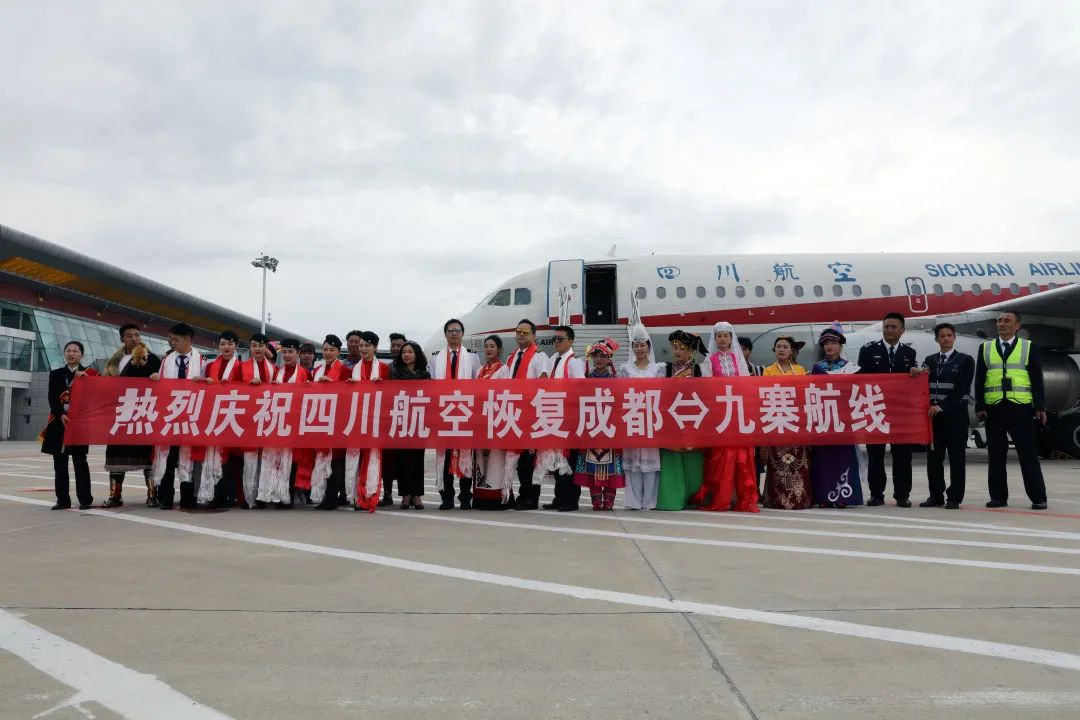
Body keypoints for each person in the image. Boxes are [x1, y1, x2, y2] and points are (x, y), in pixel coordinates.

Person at [975, 310, 1048, 510]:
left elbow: (1036, 377)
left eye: (1007, 321)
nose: (1002, 324)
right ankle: (998, 497)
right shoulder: (985, 348)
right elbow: (980, 378)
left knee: (1027, 454)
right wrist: (980, 405)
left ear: (1017, 326)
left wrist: (1040, 406)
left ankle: (1038, 497)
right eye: (999, 321)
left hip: (1021, 407)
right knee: (996, 455)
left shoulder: (1028, 347)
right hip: (994, 407)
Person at [694, 322, 759, 513]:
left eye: (726, 335)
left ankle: (740, 497)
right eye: (719, 336)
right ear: (714, 339)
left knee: (742, 457)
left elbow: (747, 386)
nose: (722, 339)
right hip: (721, 413)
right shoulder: (709, 360)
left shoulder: (738, 360)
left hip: (738, 411)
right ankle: (722, 496)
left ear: (732, 338)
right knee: (720, 456)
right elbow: (706, 387)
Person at [858, 312, 918, 507]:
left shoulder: (909, 354)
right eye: (886, 327)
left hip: (900, 412)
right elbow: (862, 380)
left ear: (902, 330)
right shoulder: (867, 350)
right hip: (876, 410)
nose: (889, 330)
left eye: (893, 327)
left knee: (903, 455)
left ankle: (902, 494)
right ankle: (876, 493)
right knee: (875, 454)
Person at [913, 323, 975, 509]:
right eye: (942, 336)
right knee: (934, 459)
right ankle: (935, 496)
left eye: (949, 335)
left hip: (955, 418)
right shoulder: (930, 360)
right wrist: (915, 374)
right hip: (933, 420)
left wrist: (943, 406)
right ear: (936, 339)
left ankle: (954, 497)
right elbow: (922, 386)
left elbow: (962, 389)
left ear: (954, 337)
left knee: (957, 459)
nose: (946, 338)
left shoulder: (965, 360)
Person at [102, 323, 162, 508]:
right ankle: (115, 495)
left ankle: (153, 495)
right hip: (120, 414)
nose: (135, 338)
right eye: (130, 335)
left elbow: (162, 383)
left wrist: (156, 378)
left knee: (148, 456)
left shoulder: (151, 359)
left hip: (143, 412)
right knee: (115, 455)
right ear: (122, 338)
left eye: (137, 335)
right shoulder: (113, 362)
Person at [150, 323, 204, 510]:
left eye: (176, 339)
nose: (172, 342)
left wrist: (205, 382)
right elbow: (160, 386)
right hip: (170, 416)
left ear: (188, 340)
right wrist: (156, 378)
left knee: (187, 458)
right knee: (168, 457)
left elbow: (210, 389)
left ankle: (187, 498)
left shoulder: (201, 361)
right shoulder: (167, 360)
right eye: (171, 339)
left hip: (190, 416)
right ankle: (165, 497)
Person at [809, 324, 864, 508]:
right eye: (825, 344)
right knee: (823, 459)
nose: (829, 346)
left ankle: (843, 497)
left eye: (833, 342)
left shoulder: (852, 369)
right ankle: (824, 496)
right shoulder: (818, 368)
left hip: (843, 421)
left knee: (843, 458)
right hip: (823, 420)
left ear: (841, 345)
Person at [43, 341, 99, 510]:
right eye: (68, 350)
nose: (71, 353)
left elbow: (95, 399)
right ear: (64, 353)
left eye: (75, 351)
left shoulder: (91, 374)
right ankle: (62, 500)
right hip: (59, 424)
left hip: (79, 425)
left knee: (80, 462)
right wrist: (60, 414)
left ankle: (85, 499)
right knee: (59, 464)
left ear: (82, 354)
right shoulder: (56, 374)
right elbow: (52, 397)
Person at [432, 318, 481, 510]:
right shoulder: (436, 358)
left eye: (457, 330)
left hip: (464, 413)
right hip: (444, 414)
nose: (454, 333)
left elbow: (478, 385)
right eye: (450, 330)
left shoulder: (473, 358)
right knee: (443, 458)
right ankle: (447, 497)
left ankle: (465, 497)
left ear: (462, 334)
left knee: (465, 456)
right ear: (445, 334)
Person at [656, 331, 707, 511]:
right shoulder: (665, 369)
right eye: (675, 347)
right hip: (672, 418)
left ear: (691, 351)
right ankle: (673, 499)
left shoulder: (701, 370)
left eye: (682, 348)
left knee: (694, 460)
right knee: (672, 460)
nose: (677, 351)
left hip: (694, 418)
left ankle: (696, 497)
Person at [574, 338, 625, 511]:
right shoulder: (585, 379)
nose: (599, 359)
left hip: (610, 427)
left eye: (603, 356)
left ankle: (609, 500)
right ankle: (596, 499)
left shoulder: (615, 380)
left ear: (609, 358)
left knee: (611, 465)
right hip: (591, 426)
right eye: (596, 356)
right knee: (592, 464)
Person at [760, 337, 812, 510]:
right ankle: (776, 498)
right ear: (774, 350)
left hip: (796, 420)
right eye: (778, 347)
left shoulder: (800, 370)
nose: (781, 350)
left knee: (797, 461)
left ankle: (799, 498)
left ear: (791, 351)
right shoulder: (768, 371)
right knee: (778, 462)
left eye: (785, 347)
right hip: (777, 418)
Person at [259, 339, 310, 509]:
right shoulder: (275, 372)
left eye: (291, 352)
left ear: (298, 354)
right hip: (276, 421)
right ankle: (270, 493)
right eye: (285, 352)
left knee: (290, 460)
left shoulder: (304, 374)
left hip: (293, 423)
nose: (287, 355)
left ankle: (285, 495)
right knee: (273, 459)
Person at [539, 325, 585, 512]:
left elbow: (580, 389)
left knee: (569, 461)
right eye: (554, 339)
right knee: (557, 461)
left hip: (569, 418)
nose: (556, 342)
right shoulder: (552, 360)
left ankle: (571, 499)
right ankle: (559, 497)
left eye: (560, 339)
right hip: (554, 416)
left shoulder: (574, 362)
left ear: (571, 341)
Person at [343, 330, 390, 512]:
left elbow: (392, 397)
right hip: (357, 419)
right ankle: (355, 496)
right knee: (355, 457)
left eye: (367, 346)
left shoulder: (385, 369)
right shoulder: (353, 369)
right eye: (361, 345)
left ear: (375, 347)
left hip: (376, 420)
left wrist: (382, 387)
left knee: (372, 458)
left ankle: (369, 495)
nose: (363, 349)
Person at [618, 324, 663, 510]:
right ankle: (633, 501)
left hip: (652, 420)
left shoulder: (658, 369)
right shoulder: (626, 369)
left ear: (648, 347)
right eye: (635, 346)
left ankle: (650, 502)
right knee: (632, 464)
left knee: (650, 463)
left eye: (642, 345)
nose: (639, 349)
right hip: (632, 419)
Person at [197, 330, 244, 508]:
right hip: (214, 416)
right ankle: (214, 494)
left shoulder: (241, 367)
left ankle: (230, 495)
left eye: (230, 344)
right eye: (223, 344)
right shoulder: (209, 366)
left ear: (236, 346)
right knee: (212, 457)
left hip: (233, 416)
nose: (227, 347)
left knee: (231, 460)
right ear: (218, 345)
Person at [472, 335, 517, 510]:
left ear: (499, 349)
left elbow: (505, 394)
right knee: (480, 460)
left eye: (492, 346)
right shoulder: (480, 370)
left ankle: (497, 498)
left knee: (496, 460)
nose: (489, 349)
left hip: (497, 418)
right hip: (480, 420)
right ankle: (481, 497)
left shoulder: (504, 370)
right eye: (486, 346)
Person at [507, 318, 548, 511]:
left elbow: (543, 384)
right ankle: (523, 495)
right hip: (514, 414)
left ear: (534, 335)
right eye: (518, 332)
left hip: (531, 414)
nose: (521, 335)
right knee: (519, 461)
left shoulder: (539, 356)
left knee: (531, 460)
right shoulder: (512, 357)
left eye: (525, 332)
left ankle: (532, 498)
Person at [309, 334, 350, 510]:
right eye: (325, 349)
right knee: (321, 458)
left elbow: (349, 395)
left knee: (336, 459)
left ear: (339, 352)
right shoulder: (316, 370)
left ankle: (333, 495)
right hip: (319, 418)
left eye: (332, 350)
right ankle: (324, 494)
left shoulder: (345, 370)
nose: (327, 353)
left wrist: (333, 384)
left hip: (338, 419)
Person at [390, 341, 430, 509]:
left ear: (417, 355)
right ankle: (405, 496)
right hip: (401, 421)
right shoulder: (395, 373)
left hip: (419, 421)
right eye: (404, 352)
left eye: (410, 352)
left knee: (417, 460)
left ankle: (417, 496)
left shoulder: (425, 376)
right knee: (402, 461)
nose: (406, 354)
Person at [380, 332, 409, 506]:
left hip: (408, 420)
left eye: (399, 345)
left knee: (406, 460)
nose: (396, 349)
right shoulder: (386, 368)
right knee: (388, 461)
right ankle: (388, 494)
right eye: (393, 345)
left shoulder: (415, 368)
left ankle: (408, 495)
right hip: (389, 419)